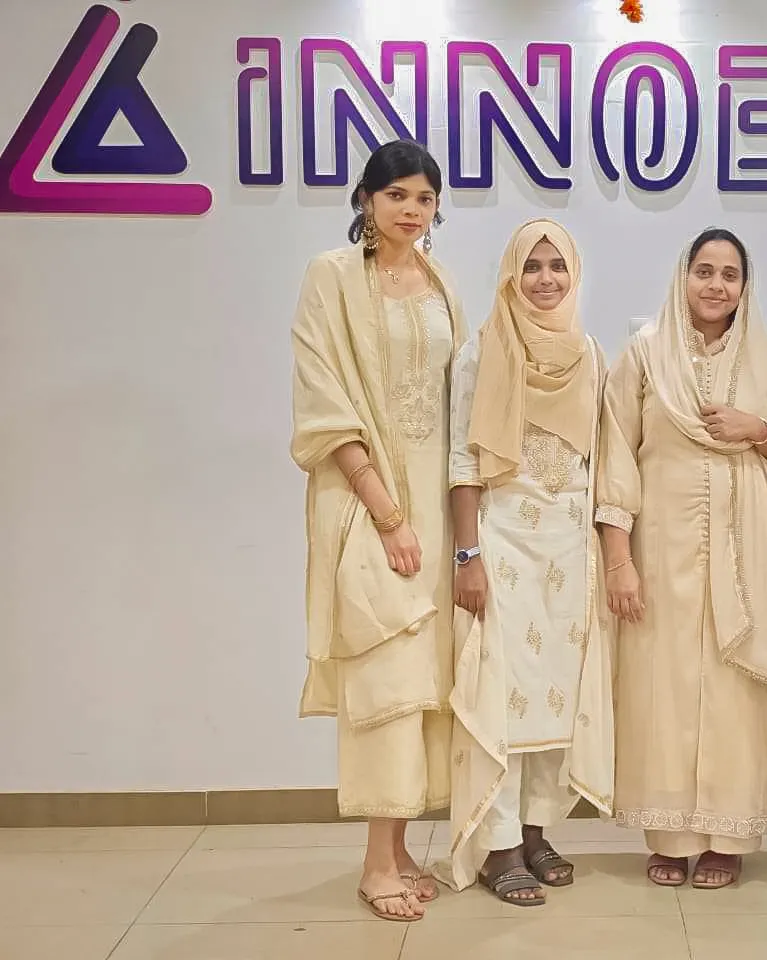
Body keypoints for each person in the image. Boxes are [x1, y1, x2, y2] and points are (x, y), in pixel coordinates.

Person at [289, 140, 467, 921]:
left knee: (425, 681)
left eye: (424, 198)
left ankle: (396, 849)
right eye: (396, 195)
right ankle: (373, 864)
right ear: (366, 198)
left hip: (437, 502)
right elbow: (323, 398)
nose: (411, 210)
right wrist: (387, 512)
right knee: (385, 673)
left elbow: (462, 392)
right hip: (368, 501)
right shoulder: (331, 276)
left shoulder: (442, 282)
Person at [596, 228, 767, 890]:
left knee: (736, 693)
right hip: (662, 551)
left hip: (748, 552)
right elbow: (614, 457)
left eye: (730, 274)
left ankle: (728, 838)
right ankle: (669, 836)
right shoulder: (645, 354)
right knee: (663, 688)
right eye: (704, 271)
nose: (716, 285)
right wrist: (619, 560)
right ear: (682, 277)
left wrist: (762, 431)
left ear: (746, 286)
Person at [432, 219, 614, 906]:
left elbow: (599, 458)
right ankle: (498, 844)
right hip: (503, 540)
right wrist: (468, 554)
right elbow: (462, 459)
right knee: (503, 696)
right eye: (532, 266)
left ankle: (536, 831)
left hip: (570, 547)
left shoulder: (590, 354)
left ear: (574, 274)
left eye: (557, 266)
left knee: (556, 700)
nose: (545, 279)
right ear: (511, 274)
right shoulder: (481, 351)